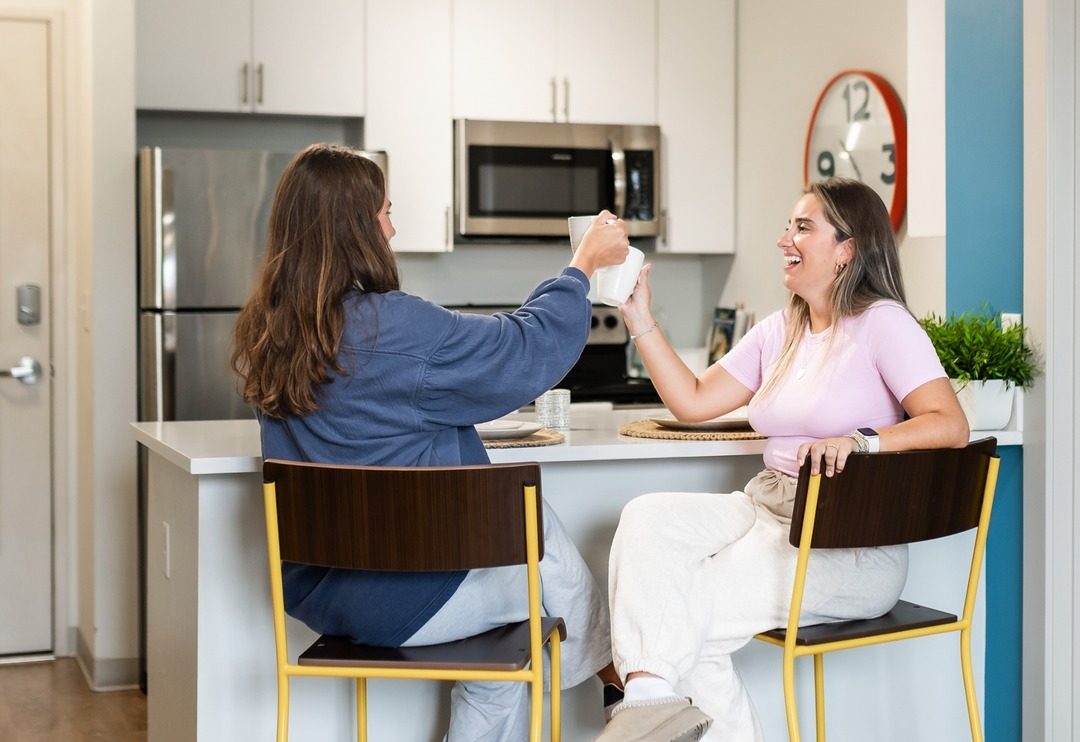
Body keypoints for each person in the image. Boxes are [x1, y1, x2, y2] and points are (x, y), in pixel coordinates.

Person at [230, 143, 630, 742]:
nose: (393, 226)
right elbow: (521, 349)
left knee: (528, 555)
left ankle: (622, 690)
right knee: (535, 546)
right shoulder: (392, 326)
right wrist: (580, 268)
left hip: (322, 594)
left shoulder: (271, 329)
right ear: (356, 227)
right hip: (408, 599)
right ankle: (623, 691)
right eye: (385, 211)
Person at [597, 177, 970, 742]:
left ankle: (645, 704)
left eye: (803, 226)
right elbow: (694, 401)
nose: (783, 239)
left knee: (686, 618)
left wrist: (861, 440)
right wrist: (638, 316)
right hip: (770, 507)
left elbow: (950, 423)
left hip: (849, 545)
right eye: (788, 225)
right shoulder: (783, 329)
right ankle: (649, 699)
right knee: (648, 517)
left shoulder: (883, 324)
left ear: (847, 249)